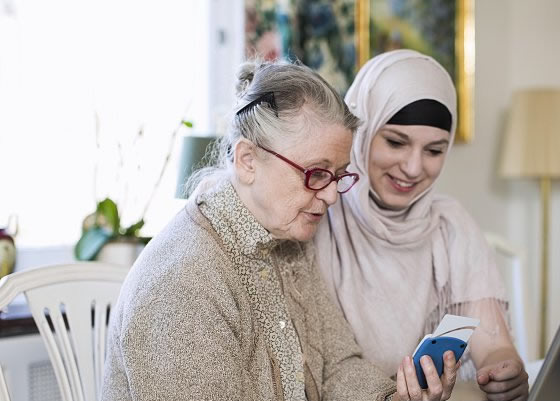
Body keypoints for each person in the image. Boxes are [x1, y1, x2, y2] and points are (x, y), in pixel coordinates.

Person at [102, 60, 458, 401]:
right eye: (316, 173)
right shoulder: (184, 285)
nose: (332, 194)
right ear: (247, 161)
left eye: (338, 175)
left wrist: (393, 398)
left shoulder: (288, 238)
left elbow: (336, 366)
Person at [314, 49, 529, 401]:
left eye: (434, 150)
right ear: (360, 132)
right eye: (396, 142)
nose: (414, 168)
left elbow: (493, 348)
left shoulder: (451, 225)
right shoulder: (320, 214)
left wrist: (506, 372)